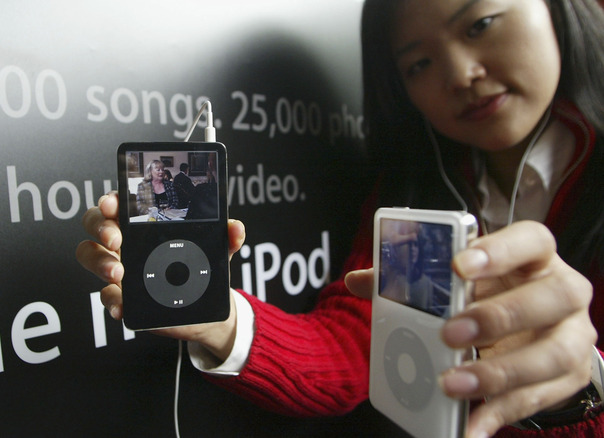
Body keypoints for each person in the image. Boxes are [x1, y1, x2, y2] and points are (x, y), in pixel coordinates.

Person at [77, 0, 604, 436]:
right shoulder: (410, 188)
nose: (461, 74)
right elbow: (354, 350)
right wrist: (221, 321)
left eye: (480, 24)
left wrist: (582, 388)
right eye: (417, 64)